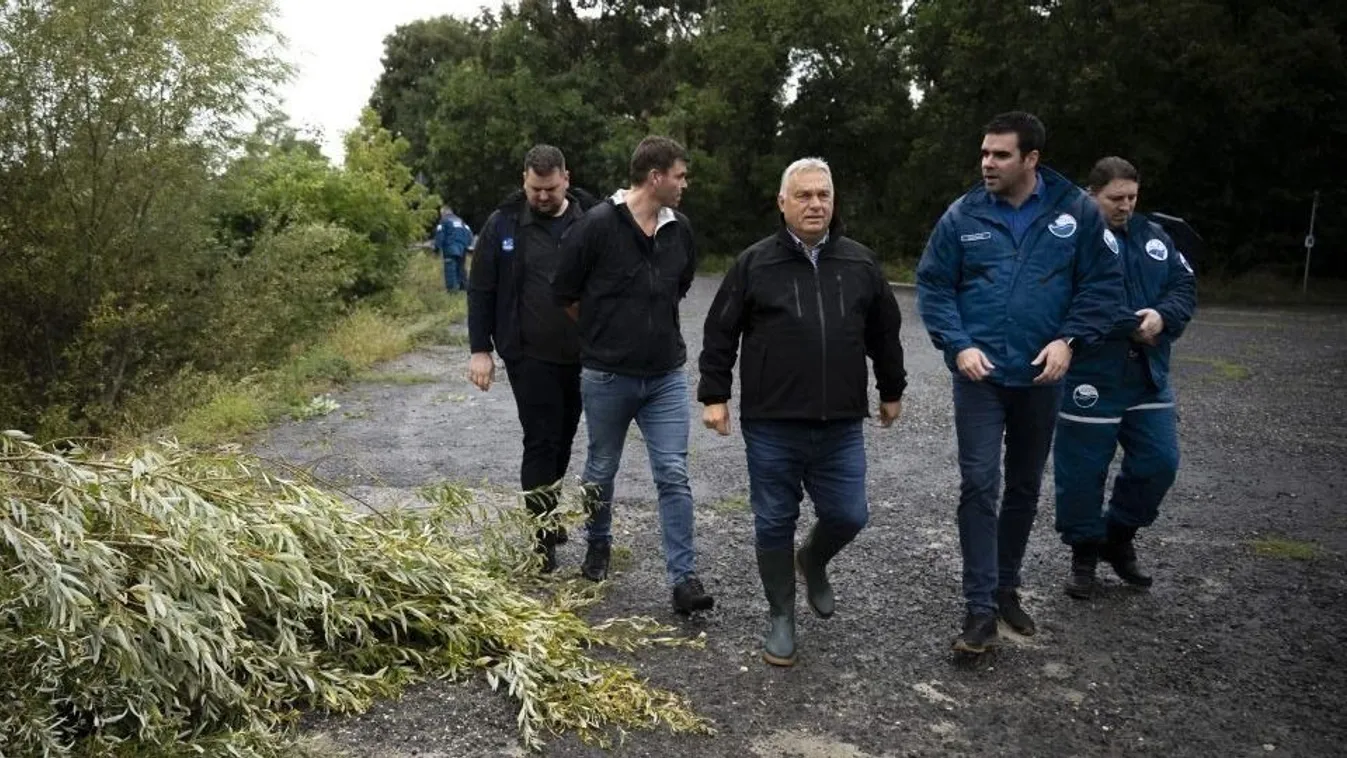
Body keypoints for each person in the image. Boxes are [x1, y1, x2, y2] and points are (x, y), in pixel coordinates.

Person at [915, 111, 1127, 655]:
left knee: (1025, 488)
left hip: (1041, 377)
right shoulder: (962, 215)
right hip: (980, 378)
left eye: (1000, 155)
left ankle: (1006, 585)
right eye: (985, 153)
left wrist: (1069, 340)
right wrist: (958, 344)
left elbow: (1102, 285)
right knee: (980, 484)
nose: (987, 163)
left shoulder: (1076, 212)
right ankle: (979, 609)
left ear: (1031, 160)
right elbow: (935, 286)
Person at [698, 157, 906, 666]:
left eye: (824, 196)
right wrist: (714, 394)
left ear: (834, 203)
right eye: (805, 195)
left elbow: (885, 331)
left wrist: (891, 387)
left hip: (840, 422)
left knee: (849, 514)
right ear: (783, 202)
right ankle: (781, 617)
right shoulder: (754, 264)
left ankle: (812, 558)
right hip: (772, 422)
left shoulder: (860, 263)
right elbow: (721, 331)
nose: (816, 204)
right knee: (773, 519)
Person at [552, 135, 713, 614]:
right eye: (680, 175)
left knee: (674, 474)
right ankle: (597, 543)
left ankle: (684, 578)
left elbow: (679, 285)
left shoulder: (679, 229)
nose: (685, 184)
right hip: (607, 375)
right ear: (655, 176)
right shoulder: (597, 225)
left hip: (664, 375)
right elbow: (565, 291)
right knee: (601, 469)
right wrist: (605, 333)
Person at [1054, 156, 1196, 598]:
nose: (1126, 206)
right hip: (1090, 374)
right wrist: (1127, 322)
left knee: (1160, 463)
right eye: (1116, 198)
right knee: (1081, 472)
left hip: (1147, 373)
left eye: (1132, 197)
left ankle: (1116, 538)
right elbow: (1065, 295)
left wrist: (1162, 316)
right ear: (1092, 194)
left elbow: (1184, 286)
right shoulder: (1068, 236)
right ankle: (1083, 554)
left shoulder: (1156, 236)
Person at [467, 145, 598, 572]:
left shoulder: (592, 220)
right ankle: (542, 538)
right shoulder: (504, 223)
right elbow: (482, 287)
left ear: (566, 178)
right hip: (528, 353)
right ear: (524, 179)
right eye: (534, 188)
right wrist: (480, 349)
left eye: (550, 188)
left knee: (562, 437)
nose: (541, 197)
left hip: (583, 355)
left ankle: (548, 509)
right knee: (540, 439)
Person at [435, 205, 473, 292]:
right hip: (462, 248)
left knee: (450, 268)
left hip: (450, 247)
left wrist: (436, 247)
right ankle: (464, 288)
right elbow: (469, 233)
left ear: (443, 213)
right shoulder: (461, 221)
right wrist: (468, 245)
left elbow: (440, 234)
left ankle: (452, 290)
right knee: (461, 268)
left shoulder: (444, 221)